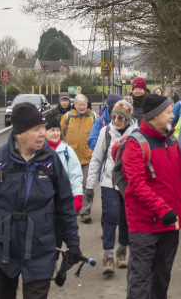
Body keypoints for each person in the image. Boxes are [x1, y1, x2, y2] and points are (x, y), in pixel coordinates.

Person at [0, 102, 81, 299]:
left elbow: (65, 205)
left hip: (40, 248)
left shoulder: (51, 161)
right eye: (36, 129)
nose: (43, 133)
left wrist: (73, 243)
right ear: (19, 133)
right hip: (2, 249)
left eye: (43, 127)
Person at [122, 94, 181, 299]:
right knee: (140, 279)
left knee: (162, 273)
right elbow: (136, 184)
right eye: (169, 112)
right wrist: (164, 209)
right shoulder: (135, 144)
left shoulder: (170, 142)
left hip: (170, 223)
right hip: (144, 225)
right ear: (154, 116)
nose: (173, 115)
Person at [85, 100, 137, 275]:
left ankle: (122, 250)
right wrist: (89, 186)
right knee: (111, 217)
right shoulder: (105, 132)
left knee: (126, 219)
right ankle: (107, 256)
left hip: (129, 183)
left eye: (120, 117)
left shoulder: (136, 133)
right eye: (114, 117)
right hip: (109, 182)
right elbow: (96, 159)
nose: (116, 120)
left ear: (128, 118)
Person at [44, 114, 84, 252]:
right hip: (42, 206)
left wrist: (78, 196)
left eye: (57, 130)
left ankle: (53, 265)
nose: (55, 133)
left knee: (57, 239)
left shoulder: (67, 151)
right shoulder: (38, 152)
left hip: (61, 204)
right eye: (51, 130)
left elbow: (75, 175)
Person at [60, 94, 98, 223]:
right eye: (79, 105)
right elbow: (61, 134)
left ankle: (85, 212)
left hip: (88, 158)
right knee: (71, 185)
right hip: (71, 158)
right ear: (74, 105)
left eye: (84, 104)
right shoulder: (67, 117)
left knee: (87, 185)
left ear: (87, 105)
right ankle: (72, 208)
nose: (81, 107)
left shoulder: (94, 117)